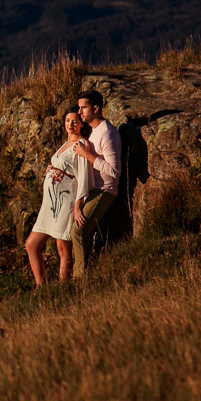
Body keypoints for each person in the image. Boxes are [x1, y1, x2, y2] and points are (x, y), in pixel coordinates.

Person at [25, 107, 92, 285]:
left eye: (75, 121)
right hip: (50, 204)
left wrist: (78, 207)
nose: (71, 124)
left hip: (65, 201)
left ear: (81, 124)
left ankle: (63, 289)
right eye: (68, 120)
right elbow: (63, 166)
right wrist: (51, 169)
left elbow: (83, 177)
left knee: (63, 249)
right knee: (31, 245)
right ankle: (41, 286)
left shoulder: (82, 145)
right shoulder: (65, 144)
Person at [70, 89, 121, 278]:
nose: (80, 112)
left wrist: (87, 155)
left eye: (84, 108)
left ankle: (80, 280)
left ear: (96, 108)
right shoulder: (92, 132)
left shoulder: (108, 133)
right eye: (79, 108)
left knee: (79, 231)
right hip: (91, 189)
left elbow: (115, 172)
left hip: (104, 190)